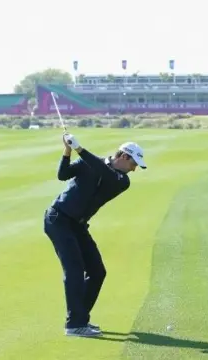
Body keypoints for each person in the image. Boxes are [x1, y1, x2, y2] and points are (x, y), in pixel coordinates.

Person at [43, 132, 147, 338]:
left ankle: (80, 320)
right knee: (74, 269)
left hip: (78, 225)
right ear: (124, 156)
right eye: (134, 163)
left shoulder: (121, 180)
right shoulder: (90, 163)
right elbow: (63, 174)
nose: (134, 169)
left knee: (97, 272)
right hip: (58, 219)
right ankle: (74, 325)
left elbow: (103, 172)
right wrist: (67, 150)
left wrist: (80, 149)